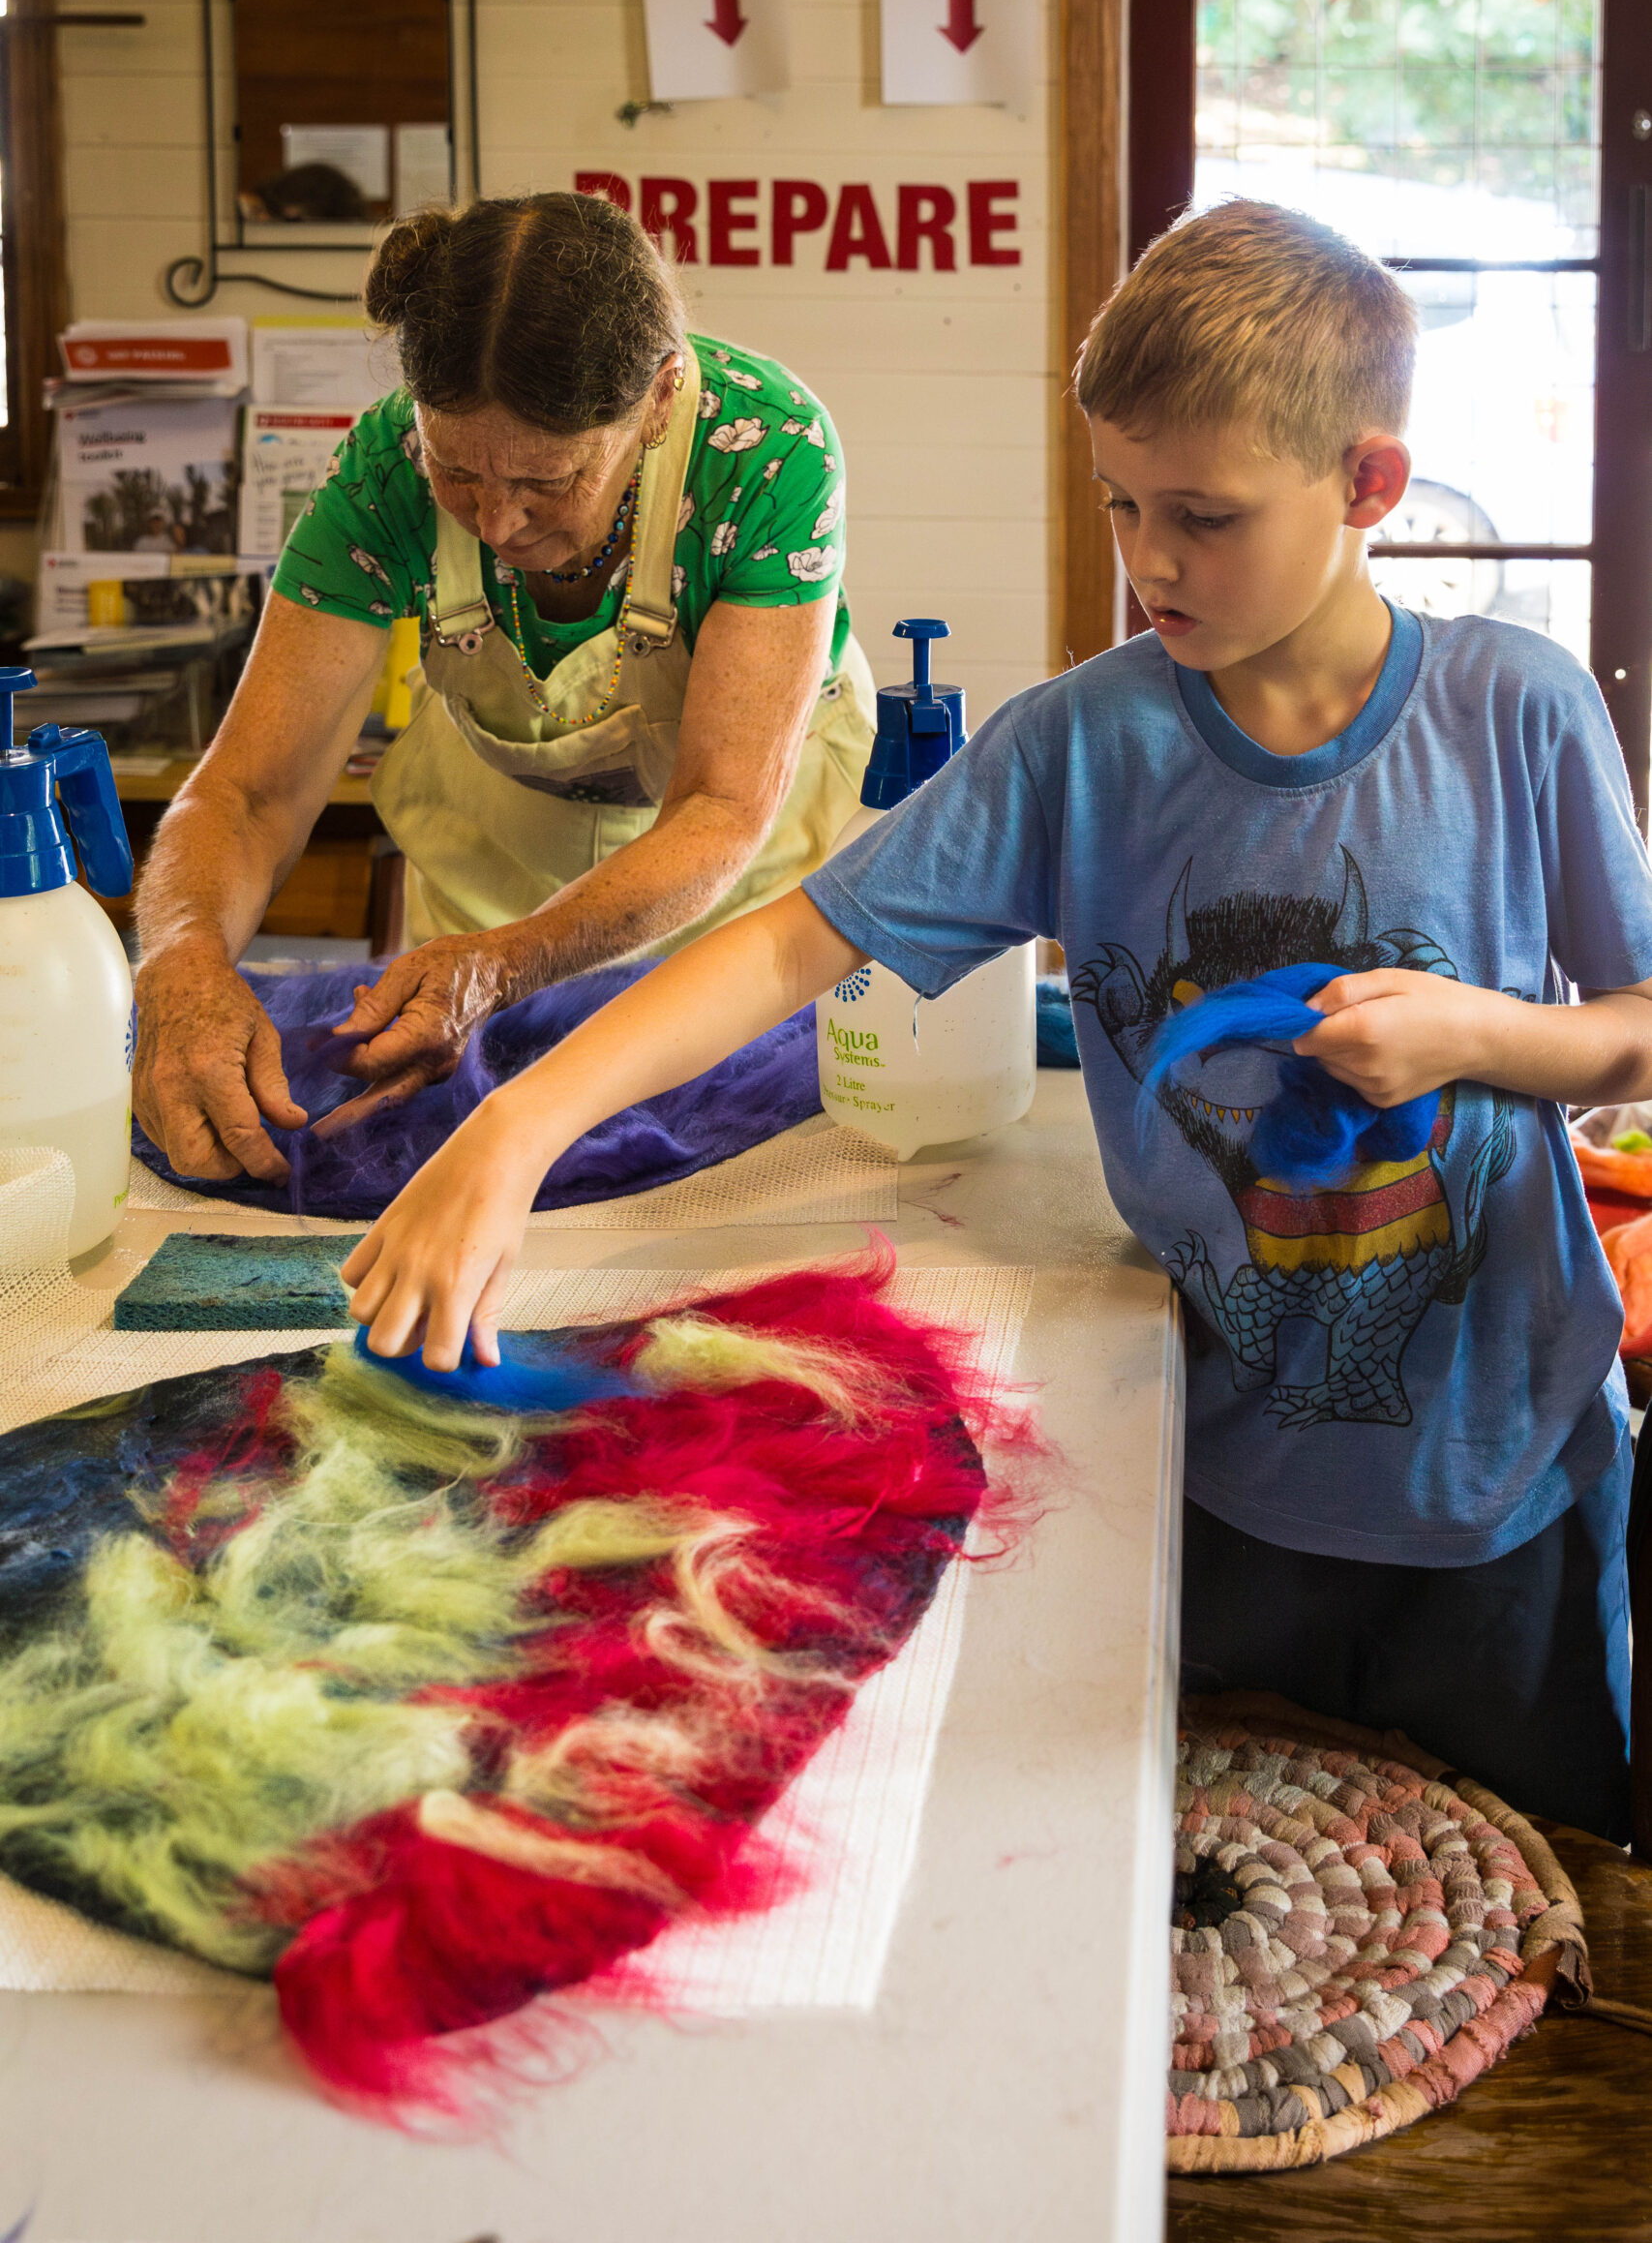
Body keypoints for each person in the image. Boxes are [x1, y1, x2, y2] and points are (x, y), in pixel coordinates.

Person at [340, 198, 1652, 1840]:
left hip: (1496, 1492)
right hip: (1217, 1484)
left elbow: (1634, 1027)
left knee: (1515, 1922)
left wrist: (1475, 1037)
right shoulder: (1074, 749)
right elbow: (783, 947)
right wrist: (514, 1129)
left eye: (1204, 514)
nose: (1148, 560)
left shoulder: (1511, 711)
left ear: (1367, 487)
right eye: (1118, 502)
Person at [134, 192, 875, 1183]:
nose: (496, 525)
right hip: (496, 872)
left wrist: (505, 966)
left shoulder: (767, 450)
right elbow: (247, 791)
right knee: (467, 1162)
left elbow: (722, 805)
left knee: (725, 1180)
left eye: (549, 482)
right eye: (459, 475)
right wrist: (180, 962)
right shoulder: (386, 468)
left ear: (658, 398)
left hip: (736, 886)